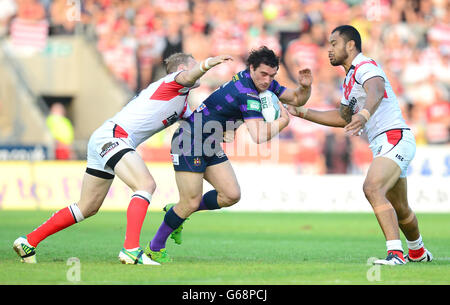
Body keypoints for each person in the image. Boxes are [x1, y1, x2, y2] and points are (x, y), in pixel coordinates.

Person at [13, 52, 233, 265]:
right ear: (183, 69)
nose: (198, 73)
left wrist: (222, 129)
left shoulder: (182, 102)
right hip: (114, 137)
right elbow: (189, 76)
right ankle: (130, 250)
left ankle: (28, 241)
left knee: (87, 206)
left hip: (105, 138)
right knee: (145, 184)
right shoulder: (171, 82)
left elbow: (196, 124)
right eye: (194, 67)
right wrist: (208, 63)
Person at [145, 46, 313, 263]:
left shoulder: (259, 82)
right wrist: (282, 122)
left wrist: (306, 87)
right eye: (263, 74)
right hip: (190, 140)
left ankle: (177, 213)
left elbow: (298, 98)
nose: (267, 80)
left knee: (230, 195)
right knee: (191, 201)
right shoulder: (247, 93)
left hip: (210, 142)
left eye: (272, 76)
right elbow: (259, 136)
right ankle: (154, 247)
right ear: (251, 68)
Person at [288, 25, 432, 265]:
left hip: (394, 136)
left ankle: (395, 254)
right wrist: (302, 112)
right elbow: (343, 116)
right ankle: (417, 251)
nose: (329, 49)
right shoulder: (349, 79)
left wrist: (364, 114)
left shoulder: (365, 66)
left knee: (372, 188)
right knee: (401, 207)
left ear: (351, 45)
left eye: (334, 43)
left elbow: (375, 89)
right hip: (384, 141)